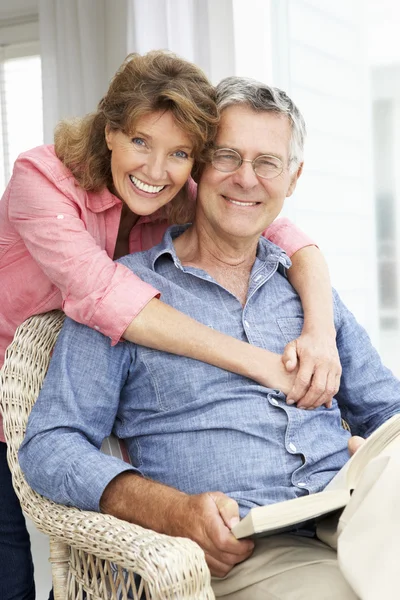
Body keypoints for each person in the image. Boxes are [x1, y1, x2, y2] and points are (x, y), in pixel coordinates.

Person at [19, 74, 400, 599]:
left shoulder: (308, 293)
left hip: (360, 516)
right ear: (199, 165)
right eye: (227, 157)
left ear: (293, 178)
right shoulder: (125, 297)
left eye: (267, 163)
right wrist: (169, 509)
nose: (246, 179)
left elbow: (388, 410)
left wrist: (377, 454)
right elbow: (50, 445)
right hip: (251, 550)